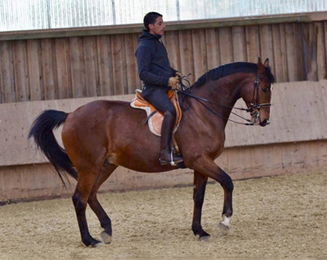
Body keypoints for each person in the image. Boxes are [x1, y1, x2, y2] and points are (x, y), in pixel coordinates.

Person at [135, 11, 183, 165]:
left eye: (163, 23)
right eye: (160, 23)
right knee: (170, 111)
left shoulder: (157, 43)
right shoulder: (144, 46)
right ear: (151, 26)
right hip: (153, 90)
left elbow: (161, 67)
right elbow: (144, 74)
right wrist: (167, 81)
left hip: (163, 87)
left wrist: (174, 73)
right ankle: (165, 153)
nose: (164, 26)